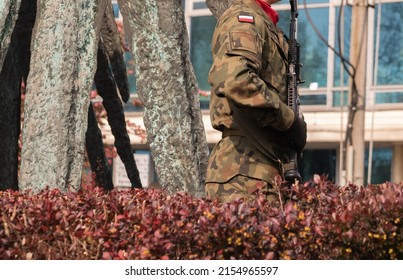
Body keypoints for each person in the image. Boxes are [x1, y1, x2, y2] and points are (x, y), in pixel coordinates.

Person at [205, 0, 307, 203]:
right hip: (244, 170)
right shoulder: (244, 19)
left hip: (262, 166)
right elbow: (238, 81)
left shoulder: (264, 22)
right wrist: (289, 120)